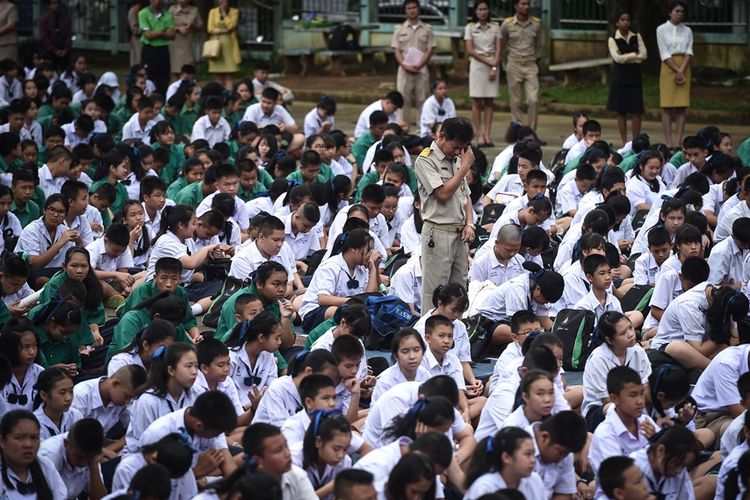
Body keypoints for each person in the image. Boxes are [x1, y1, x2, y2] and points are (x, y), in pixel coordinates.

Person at [415, 116, 475, 308]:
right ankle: (430, 334)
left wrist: (470, 223)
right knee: (436, 293)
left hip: (460, 235)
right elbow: (443, 194)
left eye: (462, 148)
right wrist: (465, 166)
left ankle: (455, 333)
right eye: (455, 146)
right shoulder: (425, 160)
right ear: (442, 136)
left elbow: (466, 195)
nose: (458, 152)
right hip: (438, 232)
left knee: (459, 292)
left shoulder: (458, 159)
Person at [0, 410, 67, 499]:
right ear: (2, 441)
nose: (28, 444)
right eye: (19, 438)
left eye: (34, 437)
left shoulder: (46, 467)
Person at [391, 0, 435, 127]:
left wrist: (421, 64)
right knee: (403, 100)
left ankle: (422, 130)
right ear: (405, 10)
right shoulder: (399, 30)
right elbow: (396, 50)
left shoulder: (427, 29)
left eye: (414, 7)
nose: (412, 10)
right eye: (409, 8)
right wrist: (404, 64)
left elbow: (430, 48)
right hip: (404, 70)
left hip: (421, 70)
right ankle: (403, 129)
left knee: (423, 99)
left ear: (418, 9)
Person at [657, 0, 693, 150]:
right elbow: (663, 52)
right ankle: (668, 142)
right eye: (676, 11)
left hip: (684, 67)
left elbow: (689, 51)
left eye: (681, 12)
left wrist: (681, 70)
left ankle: (678, 142)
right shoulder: (661, 29)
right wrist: (676, 69)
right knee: (667, 107)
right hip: (668, 66)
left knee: (681, 107)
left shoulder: (688, 30)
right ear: (670, 12)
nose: (679, 14)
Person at [607, 11, 647, 146]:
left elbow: (643, 55)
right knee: (621, 111)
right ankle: (625, 142)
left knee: (637, 111)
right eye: (622, 19)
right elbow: (617, 58)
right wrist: (633, 55)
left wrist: (627, 56)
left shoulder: (636, 37)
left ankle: (636, 141)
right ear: (617, 23)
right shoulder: (613, 39)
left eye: (628, 19)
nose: (625, 22)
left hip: (635, 79)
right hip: (620, 79)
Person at [464, 1, 501, 147]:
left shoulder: (495, 27)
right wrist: (488, 62)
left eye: (485, 9)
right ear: (476, 12)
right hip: (478, 64)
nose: (483, 12)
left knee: (489, 101)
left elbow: (498, 48)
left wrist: (494, 65)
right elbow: (470, 50)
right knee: (477, 101)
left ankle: (487, 134)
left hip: (492, 62)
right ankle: (478, 134)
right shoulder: (470, 28)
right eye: (480, 9)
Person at [501, 0, 541, 132]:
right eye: (523, 4)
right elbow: (502, 45)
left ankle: (531, 132)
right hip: (514, 63)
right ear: (515, 6)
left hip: (530, 64)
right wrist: (505, 64)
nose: (526, 7)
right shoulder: (507, 25)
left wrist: (536, 59)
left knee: (533, 100)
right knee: (516, 101)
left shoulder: (536, 24)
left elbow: (538, 44)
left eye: (528, 4)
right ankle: (518, 132)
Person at [139, 0, 175, 96]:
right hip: (149, 49)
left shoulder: (168, 15)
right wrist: (163, 32)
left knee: (164, 78)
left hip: (163, 50)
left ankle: (161, 101)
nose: (157, 1)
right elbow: (148, 35)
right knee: (147, 77)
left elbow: (172, 35)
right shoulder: (143, 13)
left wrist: (155, 32)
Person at [207, 0, 241, 90]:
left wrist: (225, 14)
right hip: (216, 45)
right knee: (218, 76)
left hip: (230, 45)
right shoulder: (213, 12)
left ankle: (229, 98)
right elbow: (210, 29)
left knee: (230, 75)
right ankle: (219, 98)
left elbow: (231, 25)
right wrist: (222, 31)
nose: (223, 2)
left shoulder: (234, 12)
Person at [168, 0, 202, 78]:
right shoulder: (172, 9)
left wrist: (192, 25)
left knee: (189, 70)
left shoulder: (194, 10)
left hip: (189, 43)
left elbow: (200, 27)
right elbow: (166, 26)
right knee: (176, 71)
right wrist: (178, 28)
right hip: (176, 44)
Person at [38, 0, 72, 71]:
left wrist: (66, 49)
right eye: (53, 3)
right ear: (48, 6)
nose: (56, 5)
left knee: (66, 71)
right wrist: (54, 50)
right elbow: (44, 37)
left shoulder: (65, 18)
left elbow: (68, 35)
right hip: (49, 52)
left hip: (64, 51)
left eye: (58, 3)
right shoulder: (44, 19)